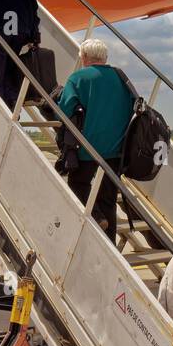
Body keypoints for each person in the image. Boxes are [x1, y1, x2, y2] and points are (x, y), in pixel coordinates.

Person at [58, 39, 133, 242]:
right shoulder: (121, 78)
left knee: (77, 185)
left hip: (86, 150)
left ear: (83, 57)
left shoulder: (78, 78)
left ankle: (97, 217)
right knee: (108, 199)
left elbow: (63, 111)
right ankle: (109, 242)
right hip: (116, 151)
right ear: (105, 58)